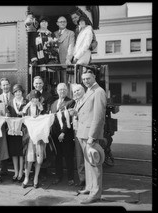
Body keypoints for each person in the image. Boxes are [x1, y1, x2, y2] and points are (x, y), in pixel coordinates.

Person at [76, 69, 107, 204]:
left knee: (94, 164)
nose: (86, 81)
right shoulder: (89, 90)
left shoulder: (99, 91)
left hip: (89, 134)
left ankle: (95, 194)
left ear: (94, 77)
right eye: (83, 79)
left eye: (88, 78)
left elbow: (98, 117)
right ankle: (89, 187)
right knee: (88, 163)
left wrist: (92, 137)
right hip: (83, 133)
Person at [26, 76, 54, 180]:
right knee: (32, 150)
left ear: (43, 84)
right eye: (36, 83)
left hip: (42, 127)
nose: (38, 85)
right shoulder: (30, 95)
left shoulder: (48, 96)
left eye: (40, 83)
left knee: (42, 150)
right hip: (33, 128)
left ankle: (43, 172)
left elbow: (49, 110)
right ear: (33, 84)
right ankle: (33, 173)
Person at [50, 83, 75, 186]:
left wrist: (63, 133)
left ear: (67, 91)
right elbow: (52, 120)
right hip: (56, 135)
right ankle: (58, 176)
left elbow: (68, 120)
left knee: (69, 156)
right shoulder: (53, 104)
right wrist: (56, 134)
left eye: (64, 89)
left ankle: (70, 178)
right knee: (58, 157)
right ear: (57, 91)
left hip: (66, 135)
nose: (62, 91)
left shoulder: (71, 102)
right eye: (60, 90)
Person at [21, 90, 45, 189]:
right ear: (30, 99)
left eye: (37, 98)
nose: (35, 100)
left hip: (39, 137)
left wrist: (41, 112)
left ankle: (36, 178)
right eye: (33, 98)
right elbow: (22, 122)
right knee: (29, 159)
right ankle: (26, 178)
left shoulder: (42, 109)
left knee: (38, 159)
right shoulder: (25, 109)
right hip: (29, 137)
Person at [8, 84, 29, 183]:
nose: (18, 93)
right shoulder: (10, 103)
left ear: (22, 92)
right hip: (13, 130)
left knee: (21, 152)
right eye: (16, 92)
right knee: (14, 152)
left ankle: (21, 172)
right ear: (13, 93)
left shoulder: (26, 102)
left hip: (22, 130)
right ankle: (15, 172)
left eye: (19, 91)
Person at [70, 83, 86, 188]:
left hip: (84, 132)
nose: (76, 93)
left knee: (87, 156)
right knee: (79, 156)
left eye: (78, 90)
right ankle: (82, 179)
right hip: (76, 132)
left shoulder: (86, 100)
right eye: (74, 91)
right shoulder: (76, 102)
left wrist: (76, 114)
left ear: (83, 91)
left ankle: (89, 180)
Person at [0, 78, 13, 176]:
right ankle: (3, 169)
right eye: (3, 85)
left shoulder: (15, 97)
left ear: (9, 85)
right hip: (2, 127)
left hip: (12, 127)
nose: (5, 86)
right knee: (2, 147)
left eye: (7, 84)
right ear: (0, 87)